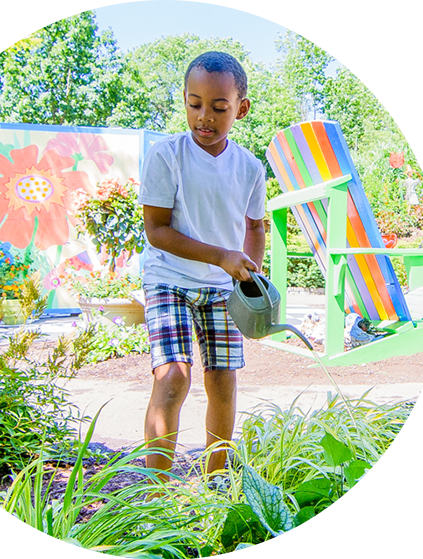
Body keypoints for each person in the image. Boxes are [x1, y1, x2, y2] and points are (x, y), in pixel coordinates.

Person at [138, 51, 266, 479]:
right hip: (168, 278)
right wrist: (221, 257)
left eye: (218, 107)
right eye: (194, 104)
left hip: (222, 287)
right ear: (185, 101)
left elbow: (254, 228)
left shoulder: (250, 167)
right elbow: (157, 230)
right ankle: (155, 500)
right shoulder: (165, 155)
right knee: (173, 377)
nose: (204, 117)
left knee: (223, 381)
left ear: (241, 109)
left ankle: (217, 486)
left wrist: (251, 282)